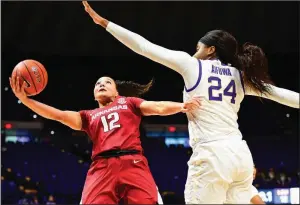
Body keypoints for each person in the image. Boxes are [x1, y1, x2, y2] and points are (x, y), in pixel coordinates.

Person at [82, 1, 299, 203]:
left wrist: (105, 23)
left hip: (212, 156)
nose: (195, 52)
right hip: (240, 155)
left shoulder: (192, 65)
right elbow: (283, 95)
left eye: (198, 48)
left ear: (210, 49)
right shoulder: (240, 76)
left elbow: (144, 47)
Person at [9, 74, 201, 204]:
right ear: (94, 95)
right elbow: (57, 115)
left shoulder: (129, 103)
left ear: (117, 92)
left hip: (132, 162)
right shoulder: (87, 115)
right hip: (101, 167)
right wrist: (26, 100)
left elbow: (157, 107)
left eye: (107, 82)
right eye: (98, 84)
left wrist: (181, 106)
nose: (101, 84)